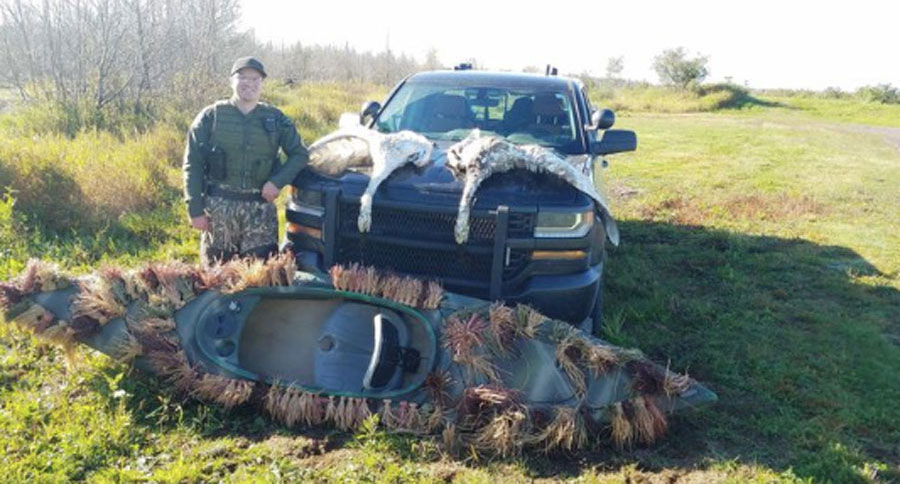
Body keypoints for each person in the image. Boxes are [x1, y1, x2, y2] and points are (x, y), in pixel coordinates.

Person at [183, 56, 308, 266]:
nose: (248, 83)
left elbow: (300, 154)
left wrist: (277, 182)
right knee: (216, 278)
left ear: (262, 83)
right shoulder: (210, 117)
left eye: (255, 79)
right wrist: (195, 209)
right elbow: (192, 165)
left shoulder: (276, 119)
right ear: (232, 80)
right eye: (242, 77)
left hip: (259, 211)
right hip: (219, 212)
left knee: (260, 276)